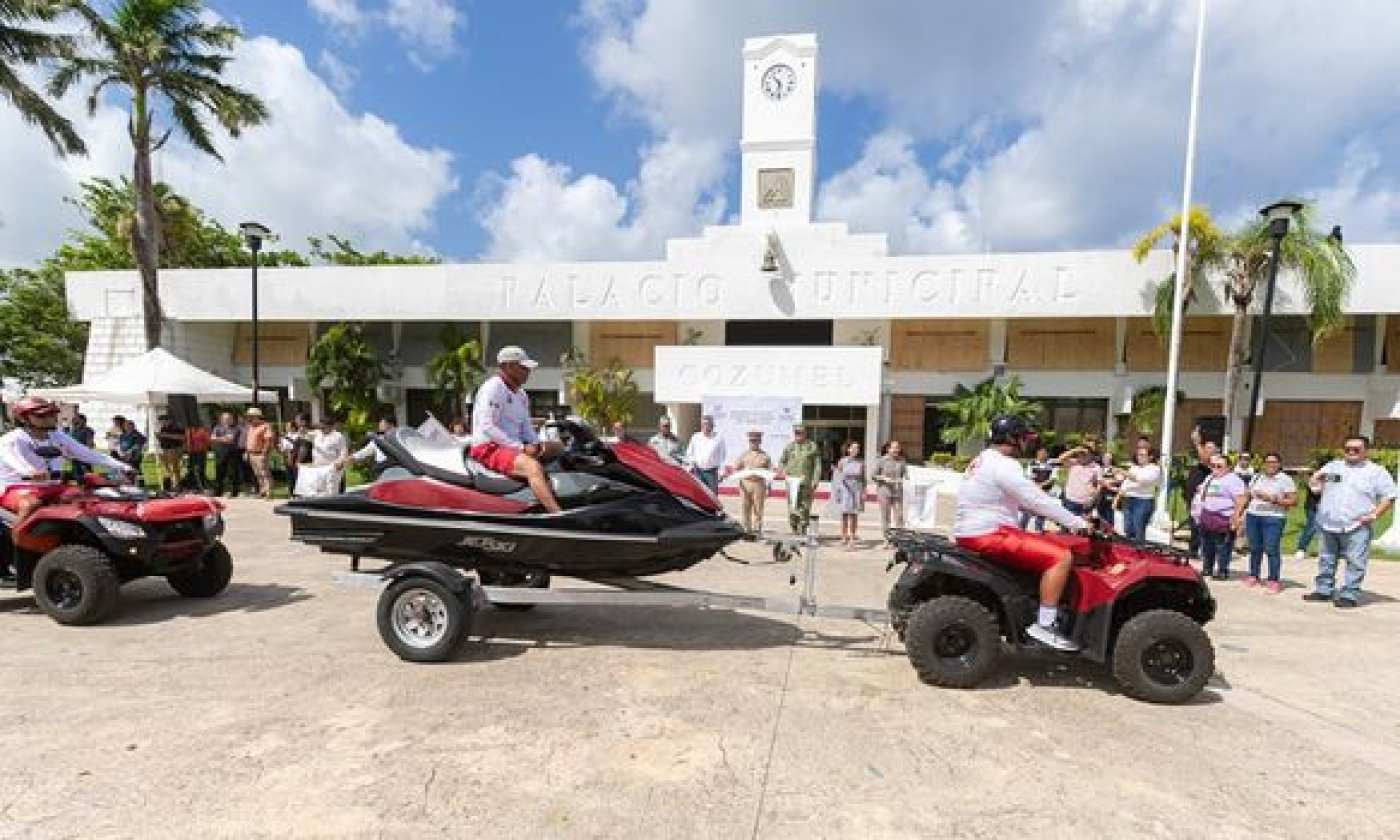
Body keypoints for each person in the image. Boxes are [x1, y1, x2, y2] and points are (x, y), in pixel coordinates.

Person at [954, 415, 1090, 652]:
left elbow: (1025, 500)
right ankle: (1045, 625)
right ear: (1012, 439)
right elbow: (1035, 500)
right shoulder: (1005, 465)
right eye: (1023, 438)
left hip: (971, 530)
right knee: (1060, 557)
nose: (1027, 443)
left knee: (1044, 540)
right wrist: (1077, 523)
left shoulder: (983, 459)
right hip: (989, 533)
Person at [0, 397, 132, 548]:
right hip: (16, 487)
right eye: (42, 415)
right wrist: (29, 471)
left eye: (52, 413)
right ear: (23, 418)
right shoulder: (11, 440)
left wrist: (122, 466)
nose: (50, 418)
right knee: (30, 504)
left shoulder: (58, 436)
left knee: (92, 498)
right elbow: (15, 461)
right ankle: (18, 544)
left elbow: (87, 453)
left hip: (53, 486)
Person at [1302, 435, 1397, 608]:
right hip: (1328, 522)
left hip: (1357, 525)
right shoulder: (1332, 466)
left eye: (1356, 449)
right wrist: (1314, 484)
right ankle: (1323, 590)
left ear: (1366, 451)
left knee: (1355, 561)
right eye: (1347, 449)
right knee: (1326, 558)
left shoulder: (1377, 472)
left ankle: (1349, 594)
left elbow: (1389, 496)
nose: (1351, 452)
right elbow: (1317, 487)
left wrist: (1374, 515)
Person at [469, 346, 565, 513]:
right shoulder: (493, 388)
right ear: (507, 366)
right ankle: (557, 513)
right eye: (523, 367)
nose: (528, 371)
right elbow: (487, 426)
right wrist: (520, 448)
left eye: (528, 368)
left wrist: (536, 445)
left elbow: (526, 426)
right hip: (489, 447)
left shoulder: (521, 395)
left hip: (514, 446)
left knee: (560, 447)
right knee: (532, 467)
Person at [1243, 452, 1296, 593]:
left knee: (1271, 549)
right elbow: (1247, 495)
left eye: (1274, 462)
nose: (1270, 465)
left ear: (1279, 464)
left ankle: (1273, 579)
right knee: (1254, 547)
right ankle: (1253, 575)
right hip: (1253, 515)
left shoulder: (1285, 479)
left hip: (1274, 517)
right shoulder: (1256, 477)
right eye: (1267, 462)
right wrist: (1240, 512)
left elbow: (1293, 501)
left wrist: (1271, 499)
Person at [1191, 452, 1248, 580]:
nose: (1215, 468)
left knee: (1223, 546)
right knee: (1207, 545)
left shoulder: (1234, 480)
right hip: (1207, 516)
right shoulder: (1210, 478)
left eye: (1219, 466)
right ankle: (1207, 568)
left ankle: (1223, 570)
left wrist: (1236, 516)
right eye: (1213, 466)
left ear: (1228, 467)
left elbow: (1241, 499)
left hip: (1224, 517)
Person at [778, 424, 821, 535]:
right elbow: (782, 461)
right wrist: (783, 471)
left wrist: (815, 480)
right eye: (796, 433)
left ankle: (802, 530)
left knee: (805, 507)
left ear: (805, 433)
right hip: (792, 483)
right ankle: (794, 529)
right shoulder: (789, 447)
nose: (798, 435)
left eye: (800, 433)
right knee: (793, 507)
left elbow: (817, 465)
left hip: (806, 483)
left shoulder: (812, 446)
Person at [1180, 430, 1219, 553]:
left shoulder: (1215, 462)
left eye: (1209, 448)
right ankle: (1194, 549)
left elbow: (1205, 459)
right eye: (1205, 447)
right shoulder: (1200, 459)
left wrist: (1197, 442)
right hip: (1192, 498)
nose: (1205, 449)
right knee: (1194, 525)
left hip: (1204, 500)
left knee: (1200, 526)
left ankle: (1201, 550)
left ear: (1215, 451)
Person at [730, 429, 773, 534]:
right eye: (752, 441)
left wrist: (769, 486)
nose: (753, 443)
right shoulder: (743, 454)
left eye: (756, 440)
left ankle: (757, 529)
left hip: (759, 484)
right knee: (745, 507)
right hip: (745, 483)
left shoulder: (765, 456)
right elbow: (735, 468)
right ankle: (746, 529)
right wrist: (739, 471)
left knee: (758, 509)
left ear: (760, 441)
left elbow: (770, 471)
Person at [1119, 445, 1162, 541]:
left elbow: (1143, 480)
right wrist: (1119, 496)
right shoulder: (1134, 468)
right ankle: (1129, 551)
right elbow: (1125, 483)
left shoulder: (1154, 469)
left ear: (1150, 457)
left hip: (1143, 501)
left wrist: (1124, 473)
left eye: (1142, 455)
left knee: (1138, 529)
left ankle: (1139, 552)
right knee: (1128, 529)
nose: (1139, 457)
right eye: (1138, 455)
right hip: (1128, 499)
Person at [1292, 456, 1328, 560]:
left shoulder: (1330, 477)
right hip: (1313, 506)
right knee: (1311, 527)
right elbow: (1316, 491)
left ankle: (1323, 552)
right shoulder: (1315, 476)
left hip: (1326, 508)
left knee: (1325, 530)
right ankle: (1301, 549)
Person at [873, 440, 909, 543]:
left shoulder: (902, 460)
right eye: (894, 447)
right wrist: (883, 478)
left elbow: (906, 475)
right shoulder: (881, 460)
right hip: (884, 492)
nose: (896, 449)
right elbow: (873, 475)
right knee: (886, 516)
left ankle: (899, 539)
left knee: (899, 516)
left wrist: (905, 478)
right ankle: (887, 539)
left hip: (897, 492)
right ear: (888, 449)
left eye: (898, 447)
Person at [832, 441, 866, 549]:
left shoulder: (861, 462)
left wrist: (864, 491)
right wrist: (837, 492)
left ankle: (852, 537)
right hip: (844, 490)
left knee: (854, 515)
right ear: (848, 449)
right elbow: (837, 477)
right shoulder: (842, 461)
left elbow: (863, 479)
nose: (856, 450)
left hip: (856, 490)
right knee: (844, 515)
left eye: (858, 448)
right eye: (854, 448)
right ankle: (843, 537)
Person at [348, 413, 398, 479]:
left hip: (393, 469)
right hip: (382, 470)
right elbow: (364, 452)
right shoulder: (379, 439)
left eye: (382, 423)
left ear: (391, 424)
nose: (379, 425)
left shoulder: (399, 437)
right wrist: (350, 458)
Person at [684, 415, 726, 494]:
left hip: (712, 473)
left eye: (708, 424)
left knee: (712, 496)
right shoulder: (695, 437)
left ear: (713, 426)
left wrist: (721, 472)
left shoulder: (719, 438)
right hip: (698, 472)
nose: (706, 426)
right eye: (704, 424)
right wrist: (692, 463)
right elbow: (689, 453)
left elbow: (722, 456)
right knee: (699, 494)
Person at [1018, 446, 1056, 533]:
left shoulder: (1052, 465)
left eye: (1043, 453)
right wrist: (1035, 485)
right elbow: (1028, 476)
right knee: (1027, 511)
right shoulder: (1032, 464)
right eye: (1039, 453)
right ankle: (1021, 528)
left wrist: (1041, 485)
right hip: (1032, 491)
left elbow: (1053, 478)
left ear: (1047, 454)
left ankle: (1038, 529)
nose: (1041, 455)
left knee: (1042, 511)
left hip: (1045, 492)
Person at [211, 411, 246, 497]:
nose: (227, 420)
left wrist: (218, 438)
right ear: (222, 419)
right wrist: (223, 438)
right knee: (219, 473)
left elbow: (230, 440)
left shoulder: (236, 428)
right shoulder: (217, 427)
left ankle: (234, 492)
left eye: (229, 418)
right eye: (225, 419)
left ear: (232, 419)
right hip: (220, 453)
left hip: (232, 452)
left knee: (233, 473)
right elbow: (212, 438)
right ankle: (218, 491)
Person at [243, 407, 275, 499]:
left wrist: (264, 454)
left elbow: (268, 441)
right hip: (251, 453)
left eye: (251, 417)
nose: (249, 419)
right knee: (257, 474)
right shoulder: (250, 427)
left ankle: (269, 492)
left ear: (257, 417)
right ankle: (263, 491)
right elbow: (249, 441)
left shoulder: (265, 426)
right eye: (248, 417)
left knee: (265, 473)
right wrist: (246, 452)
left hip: (260, 453)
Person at [1060, 448, 1098, 519]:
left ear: (1090, 456)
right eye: (1081, 454)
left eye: (1085, 455)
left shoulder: (1096, 468)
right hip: (1070, 500)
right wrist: (1075, 450)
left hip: (1086, 502)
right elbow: (1061, 458)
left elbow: (1097, 486)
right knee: (1069, 524)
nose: (1082, 457)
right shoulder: (1074, 463)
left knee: (1084, 525)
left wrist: (1093, 500)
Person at [279, 414, 310, 497]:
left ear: (303, 421)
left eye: (297, 419)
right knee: (292, 477)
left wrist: (298, 460)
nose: (296, 421)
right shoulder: (300, 431)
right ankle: (293, 493)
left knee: (299, 478)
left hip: (301, 459)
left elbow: (304, 446)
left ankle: (299, 495)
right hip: (294, 457)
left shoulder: (304, 431)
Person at [155, 412, 186, 492]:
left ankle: (177, 485)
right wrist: (159, 437)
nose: (161, 422)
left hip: (174, 449)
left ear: (169, 420)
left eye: (162, 421)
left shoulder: (177, 427)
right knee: (166, 468)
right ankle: (170, 485)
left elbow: (182, 437)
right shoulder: (163, 428)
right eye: (160, 421)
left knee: (174, 468)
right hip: (165, 449)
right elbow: (163, 437)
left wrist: (164, 435)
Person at [66, 413, 96, 479]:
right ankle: (80, 481)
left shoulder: (88, 430)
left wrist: (88, 451)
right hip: (74, 453)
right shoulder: (73, 430)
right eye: (75, 419)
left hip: (84, 453)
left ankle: (91, 481)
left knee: (87, 470)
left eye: (77, 419)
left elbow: (90, 441)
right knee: (76, 469)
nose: (75, 421)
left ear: (83, 420)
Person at [184, 419, 211, 492]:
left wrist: (204, 448)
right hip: (191, 453)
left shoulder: (203, 431)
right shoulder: (188, 431)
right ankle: (193, 486)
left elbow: (208, 441)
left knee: (200, 469)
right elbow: (186, 441)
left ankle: (201, 486)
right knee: (191, 469)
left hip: (200, 452)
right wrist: (186, 449)